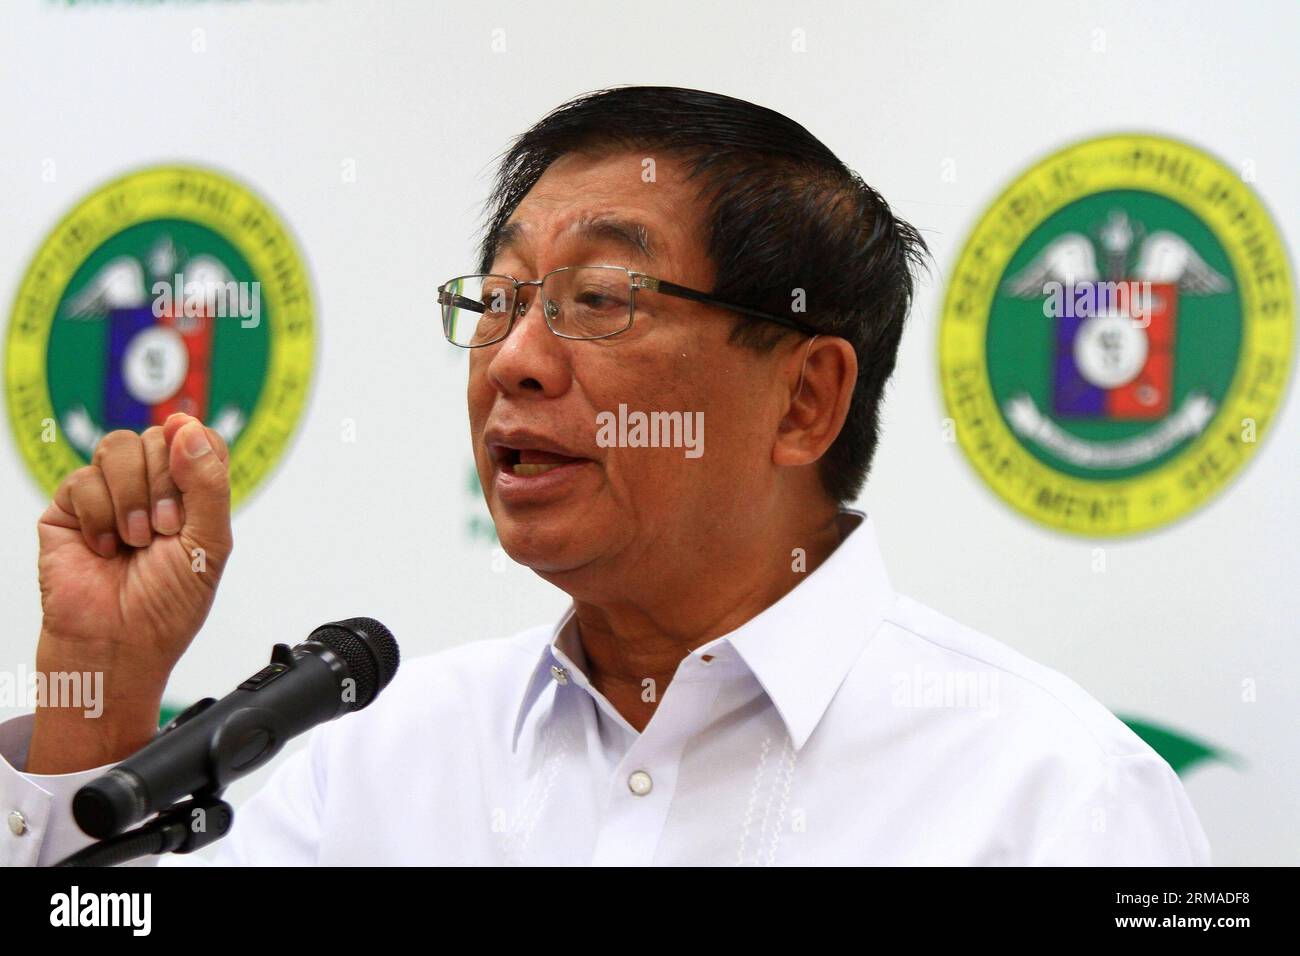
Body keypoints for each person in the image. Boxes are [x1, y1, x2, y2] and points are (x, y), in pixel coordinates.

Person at [0, 87, 1209, 865]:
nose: (514, 360)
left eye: (597, 302)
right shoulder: (380, 755)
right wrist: (97, 699)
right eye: (502, 299)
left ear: (803, 399)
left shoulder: (1053, 797)